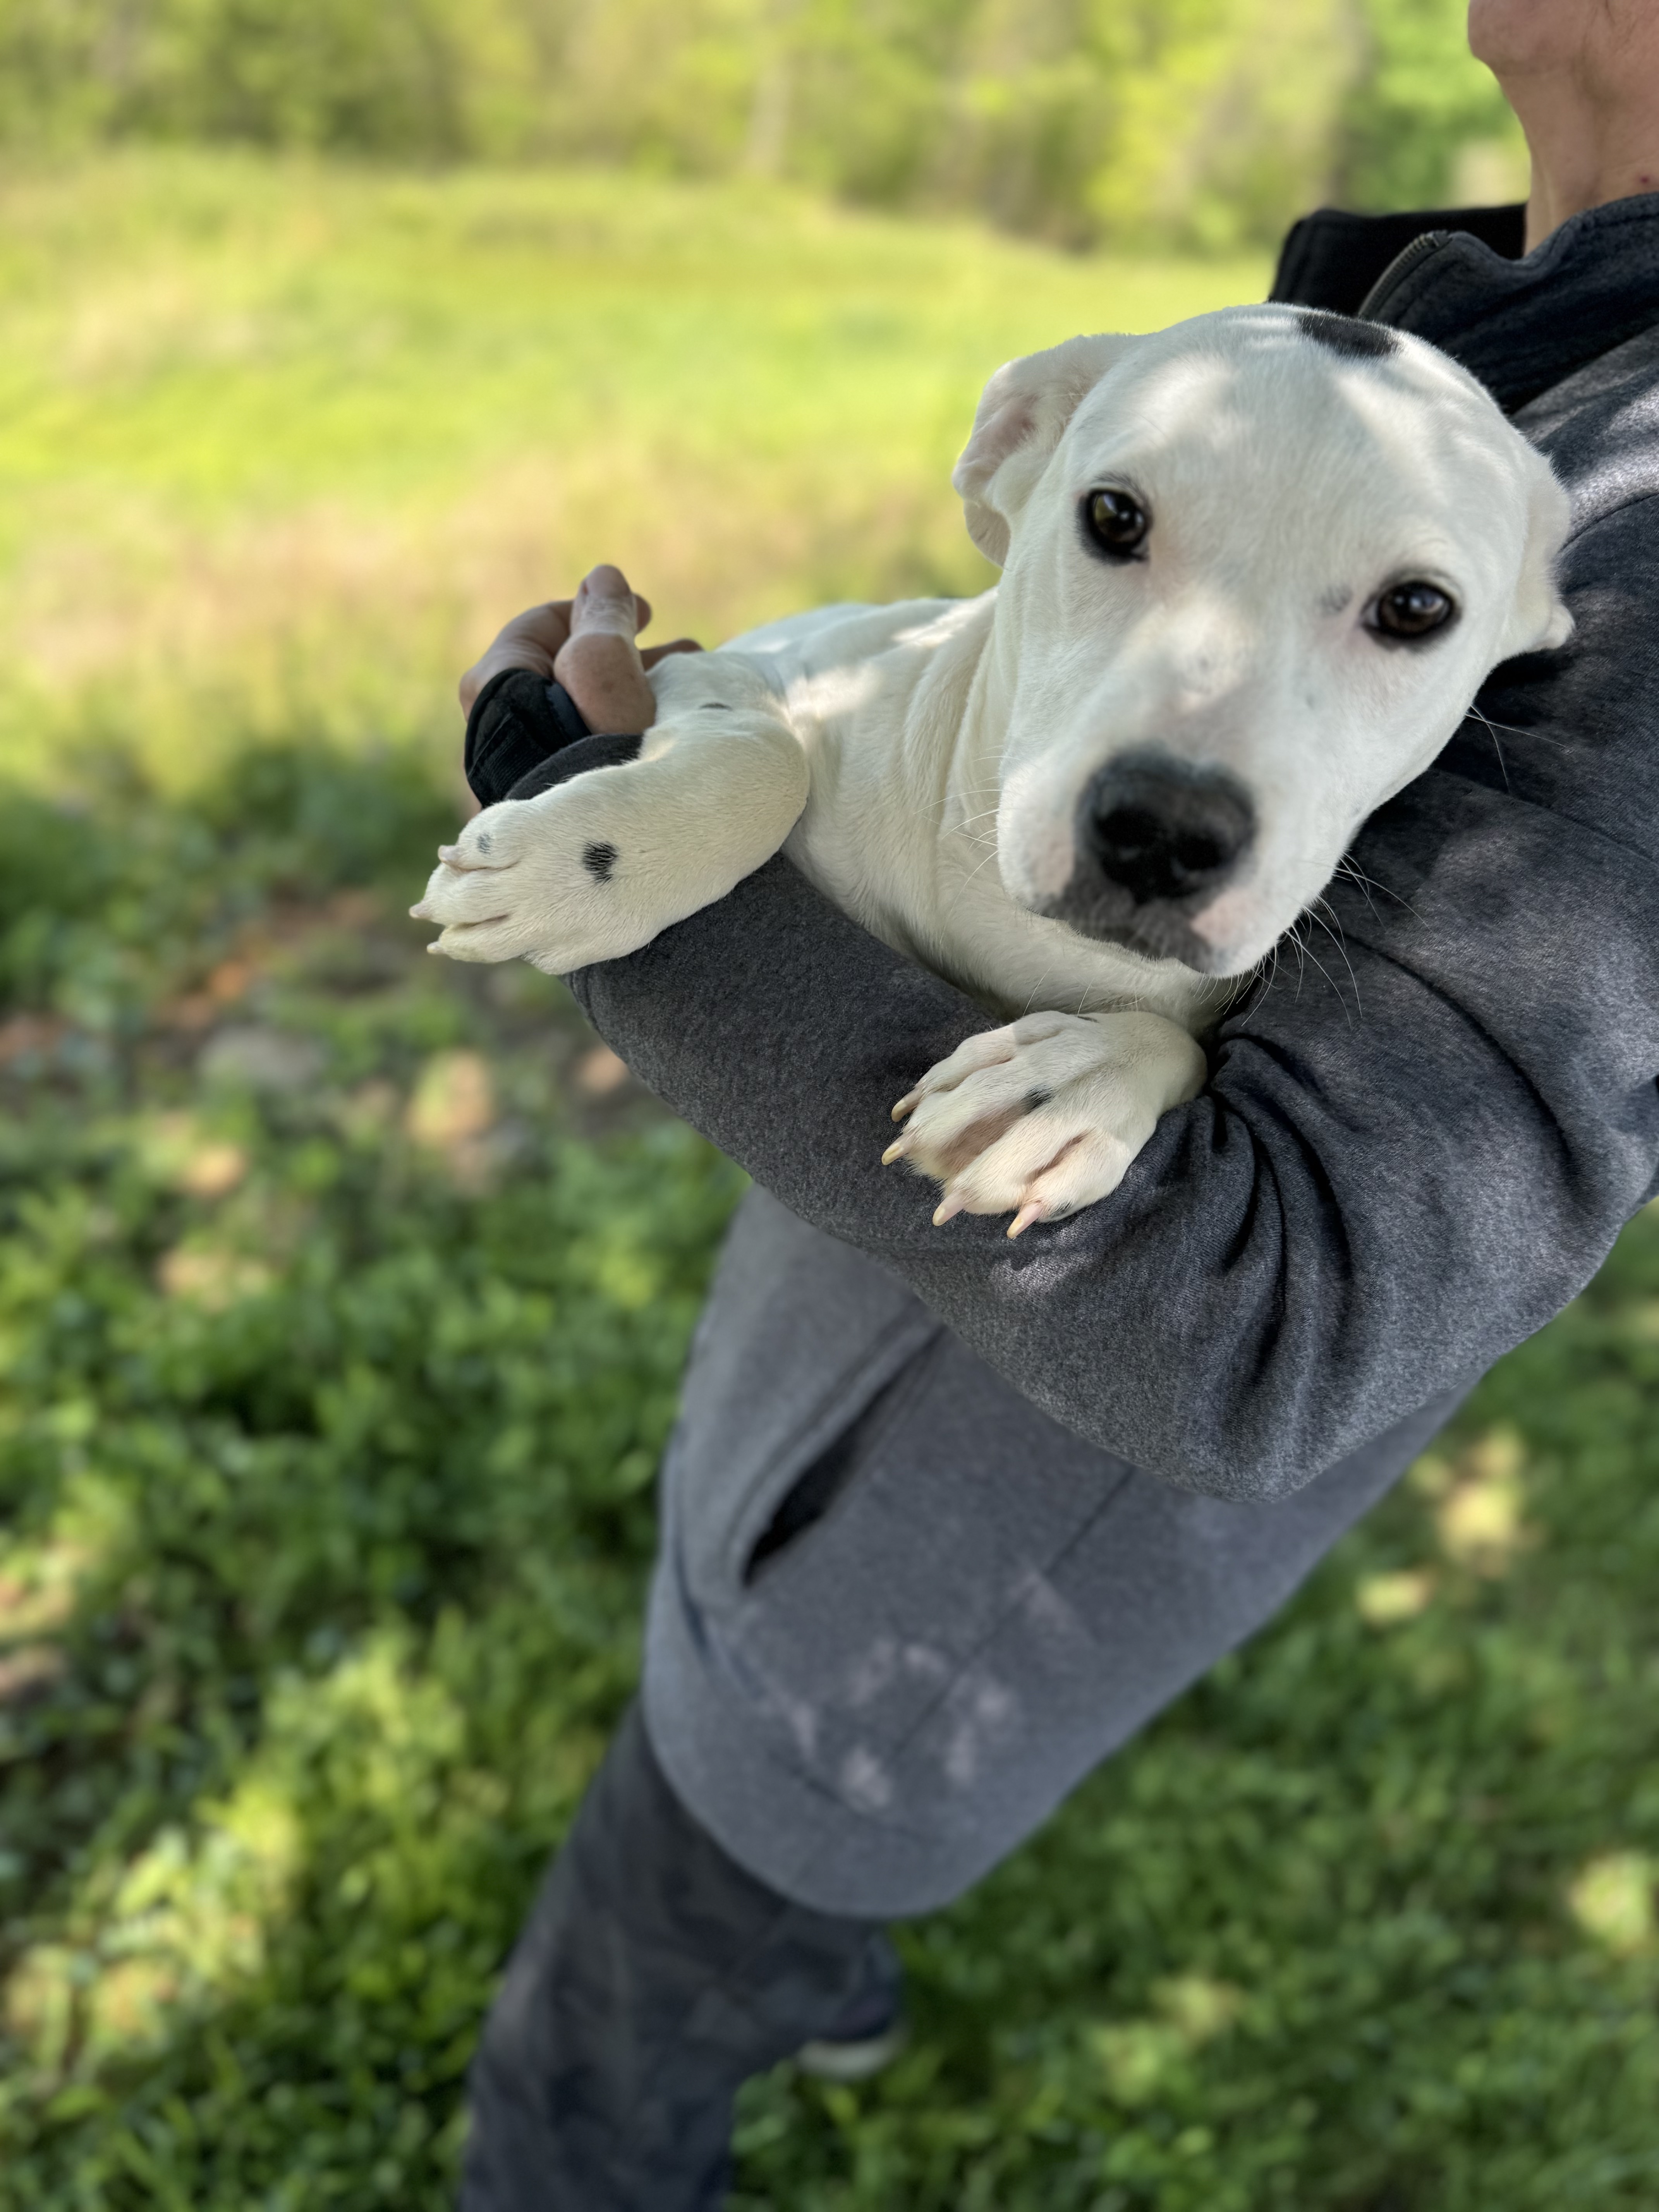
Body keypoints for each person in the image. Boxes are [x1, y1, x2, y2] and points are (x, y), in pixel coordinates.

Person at [450, 3, 1659, 2203]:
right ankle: (807, 1956)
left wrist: (617, 866)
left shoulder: (1637, 518)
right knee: (745, 1725)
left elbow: (1260, 1324)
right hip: (861, 1345)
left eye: (1402, 612)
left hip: (974, 1548)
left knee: (646, 1966)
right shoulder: (1469, 331)